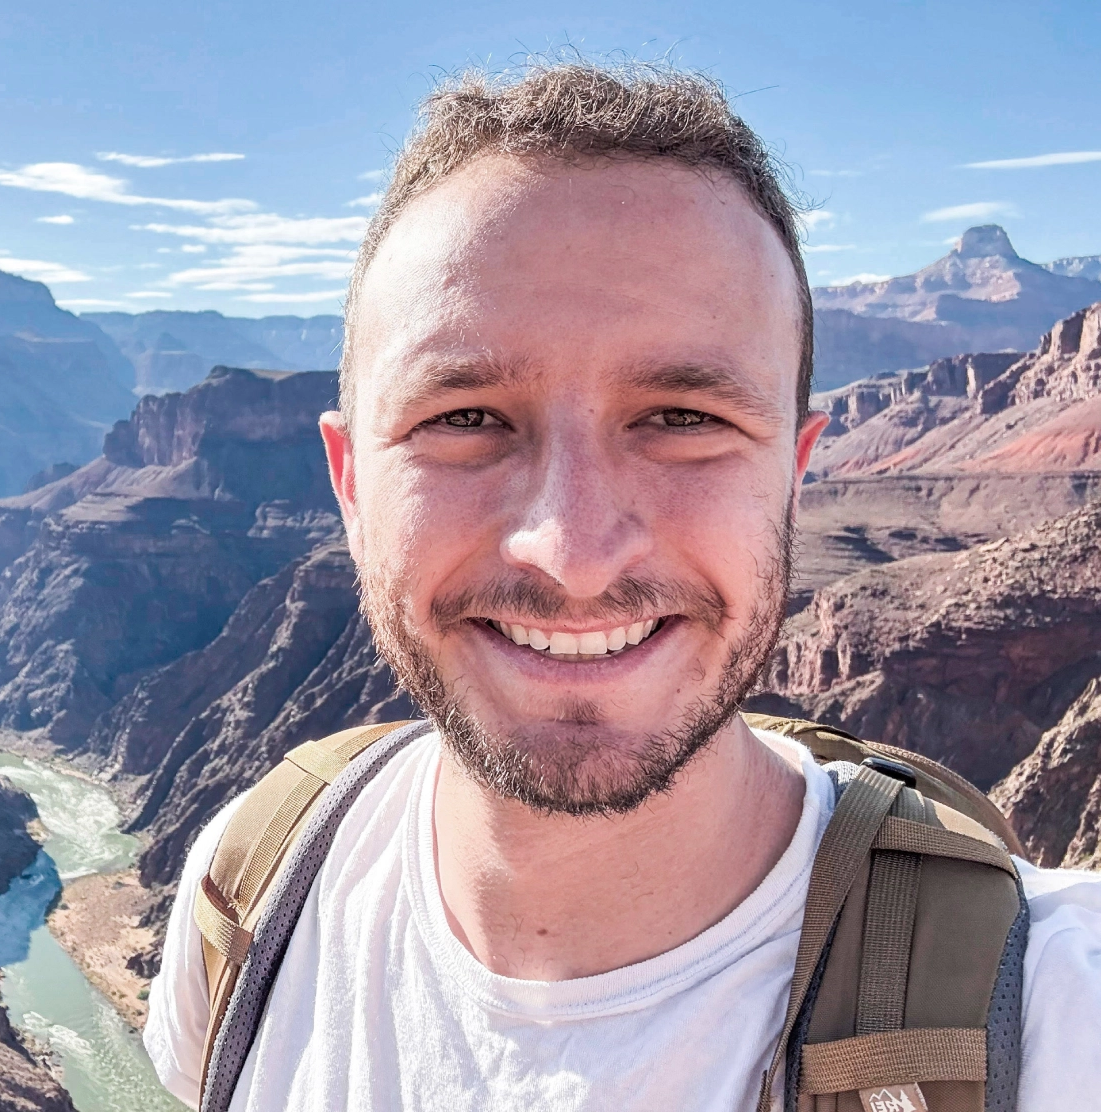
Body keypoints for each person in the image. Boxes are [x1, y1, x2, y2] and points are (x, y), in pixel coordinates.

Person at [143, 60, 1101, 1110]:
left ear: (795, 467)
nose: (573, 549)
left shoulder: (1053, 1014)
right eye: (464, 419)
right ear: (350, 481)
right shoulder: (249, 900)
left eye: (683, 418)